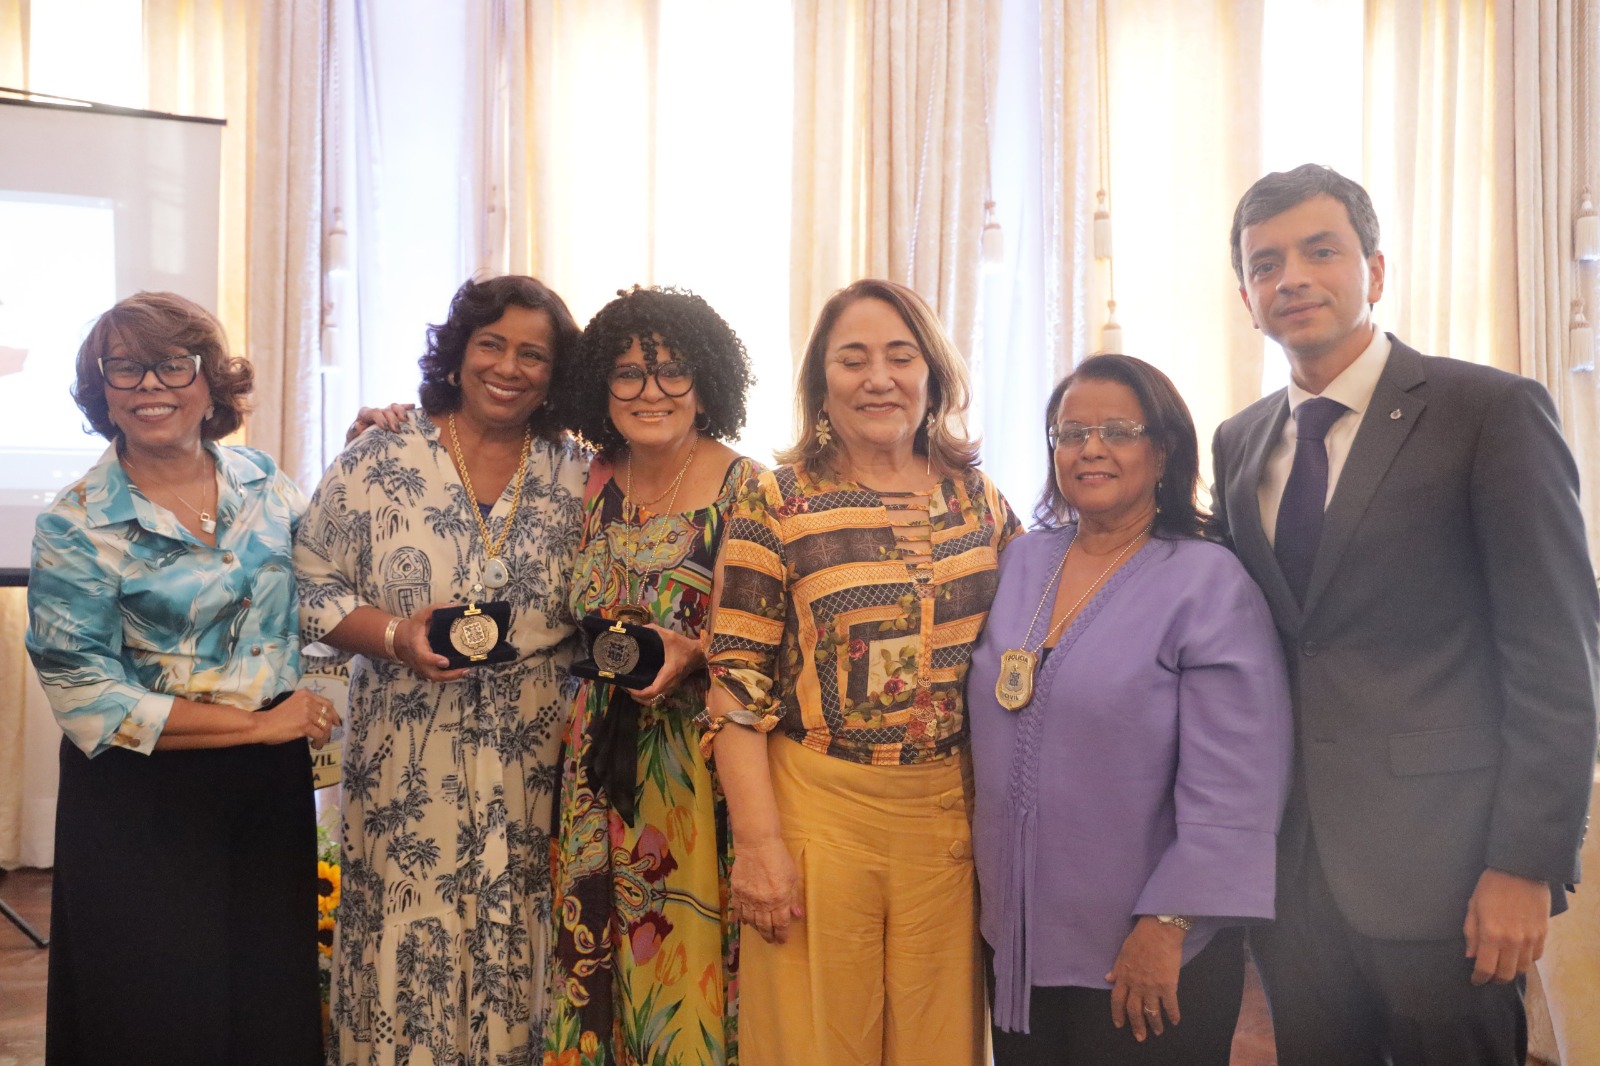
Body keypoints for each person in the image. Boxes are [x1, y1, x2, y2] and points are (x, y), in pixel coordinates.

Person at [1212, 163, 1600, 1065]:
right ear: (1247, 298)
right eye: (1266, 264)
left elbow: (1558, 650)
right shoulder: (1238, 442)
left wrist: (1526, 862)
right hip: (1294, 881)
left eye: (1320, 252)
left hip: (1450, 875)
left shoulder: (1488, 411)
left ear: (1375, 271)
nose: (1292, 278)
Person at [702, 278, 1021, 1066]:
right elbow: (736, 686)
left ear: (933, 375)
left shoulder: (979, 501)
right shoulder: (775, 502)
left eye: (900, 357)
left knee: (940, 1049)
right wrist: (760, 847)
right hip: (817, 817)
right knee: (814, 1044)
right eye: (853, 360)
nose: (879, 378)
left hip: (947, 823)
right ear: (822, 383)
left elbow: (1028, 646)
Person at [26, 292, 332, 1065]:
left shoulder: (263, 480)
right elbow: (89, 700)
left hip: (266, 789)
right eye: (124, 369)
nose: (149, 386)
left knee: (268, 1002)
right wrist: (260, 724)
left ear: (210, 381)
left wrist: (372, 448)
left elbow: (331, 579)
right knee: (158, 1016)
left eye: (172, 364)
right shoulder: (73, 523)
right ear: (101, 390)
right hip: (143, 796)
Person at [966, 354, 1292, 1064]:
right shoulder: (1022, 562)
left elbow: (1237, 782)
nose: (1090, 448)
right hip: (1019, 942)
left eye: (1117, 430)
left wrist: (1167, 925)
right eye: (1070, 433)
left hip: (1145, 953)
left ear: (1164, 449)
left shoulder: (1208, 581)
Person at [295, 275, 588, 1065]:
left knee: (520, 930)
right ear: (458, 354)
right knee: (404, 929)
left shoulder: (582, 474)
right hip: (405, 758)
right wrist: (395, 636)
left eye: (534, 354)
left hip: (534, 763)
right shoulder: (379, 457)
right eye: (491, 344)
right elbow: (309, 583)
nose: (509, 367)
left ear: (556, 374)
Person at [544, 286, 762, 1065]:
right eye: (629, 373)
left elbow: (770, 642)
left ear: (706, 381)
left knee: (682, 970)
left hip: (695, 770)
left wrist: (695, 652)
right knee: (591, 961)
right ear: (601, 386)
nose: (651, 391)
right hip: (592, 766)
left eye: (672, 370)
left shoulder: (749, 488)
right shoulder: (586, 480)